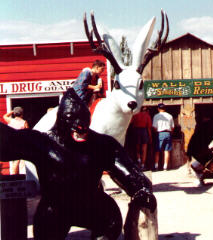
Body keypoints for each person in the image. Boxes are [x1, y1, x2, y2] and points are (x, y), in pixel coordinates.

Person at [0, 88, 156, 239]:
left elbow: (126, 169)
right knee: (46, 231)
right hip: (54, 209)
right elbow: (8, 142)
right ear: (61, 120)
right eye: (71, 118)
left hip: (92, 204)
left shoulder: (101, 144)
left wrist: (140, 188)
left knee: (111, 224)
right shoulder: (42, 142)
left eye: (83, 119)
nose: (79, 124)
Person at [2, 106, 29, 174]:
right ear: (22, 114)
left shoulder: (11, 120)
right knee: (22, 162)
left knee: (14, 161)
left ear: (14, 114)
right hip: (22, 144)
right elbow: (28, 133)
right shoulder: (24, 122)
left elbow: (4, 116)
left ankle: (13, 175)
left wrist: (12, 111)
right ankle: (23, 175)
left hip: (12, 144)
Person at [152, 103, 174, 171]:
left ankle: (156, 166)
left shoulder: (156, 116)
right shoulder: (170, 116)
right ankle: (165, 167)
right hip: (168, 133)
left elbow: (154, 127)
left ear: (158, 109)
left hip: (160, 133)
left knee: (157, 151)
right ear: (165, 108)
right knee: (166, 151)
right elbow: (172, 127)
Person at [130, 106, 152, 171]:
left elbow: (131, 123)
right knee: (144, 149)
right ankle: (143, 164)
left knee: (137, 147)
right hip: (144, 131)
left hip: (136, 130)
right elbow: (149, 128)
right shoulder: (147, 116)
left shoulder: (135, 115)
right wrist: (150, 137)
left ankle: (138, 160)